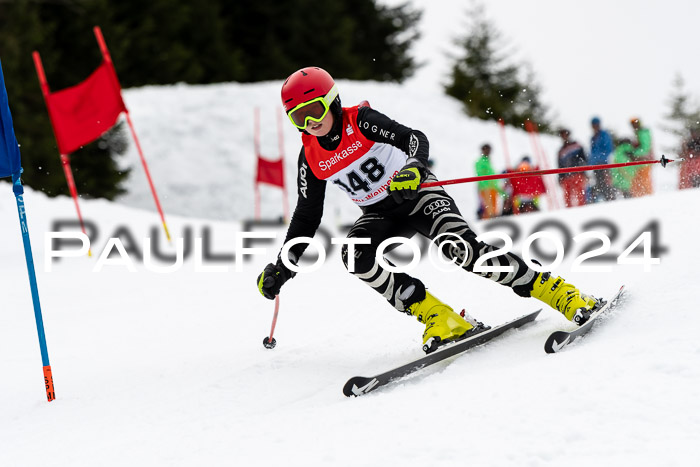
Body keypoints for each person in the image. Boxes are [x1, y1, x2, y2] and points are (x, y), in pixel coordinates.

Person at [256, 67, 600, 353]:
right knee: (354, 255)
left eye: (314, 110)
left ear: (331, 102)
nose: (309, 123)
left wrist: (414, 167)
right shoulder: (311, 157)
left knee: (462, 251)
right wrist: (282, 270)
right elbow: (306, 218)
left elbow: (413, 138)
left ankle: (557, 291)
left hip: (418, 193)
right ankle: (439, 316)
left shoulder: (360, 120)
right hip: (380, 213)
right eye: (298, 117)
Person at [557, 128, 588, 207]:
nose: (564, 137)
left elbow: (584, 159)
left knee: (580, 195)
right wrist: (560, 177)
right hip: (566, 177)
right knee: (567, 197)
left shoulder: (577, 146)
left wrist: (583, 172)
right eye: (562, 135)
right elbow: (560, 166)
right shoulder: (561, 151)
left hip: (577, 174)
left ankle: (582, 210)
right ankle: (569, 213)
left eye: (565, 135)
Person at [589, 117, 615, 202]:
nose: (595, 127)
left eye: (596, 125)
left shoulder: (604, 135)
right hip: (596, 166)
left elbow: (608, 149)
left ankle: (611, 200)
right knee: (599, 185)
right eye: (593, 125)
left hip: (604, 164)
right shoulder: (593, 137)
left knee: (607, 185)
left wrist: (599, 158)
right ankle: (605, 201)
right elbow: (592, 152)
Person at [475, 143, 502, 219]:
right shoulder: (480, 162)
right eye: (486, 150)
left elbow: (493, 177)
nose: (488, 152)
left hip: (492, 189)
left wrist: (499, 189)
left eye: (489, 150)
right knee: (488, 210)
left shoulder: (488, 161)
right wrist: (485, 186)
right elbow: (480, 175)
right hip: (486, 189)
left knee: (493, 209)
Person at [629, 117, 654, 197]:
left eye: (634, 124)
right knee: (637, 184)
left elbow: (645, 148)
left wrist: (633, 153)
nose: (633, 126)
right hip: (639, 164)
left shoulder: (643, 133)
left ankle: (647, 198)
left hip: (644, 162)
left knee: (644, 183)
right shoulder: (638, 133)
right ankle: (638, 198)